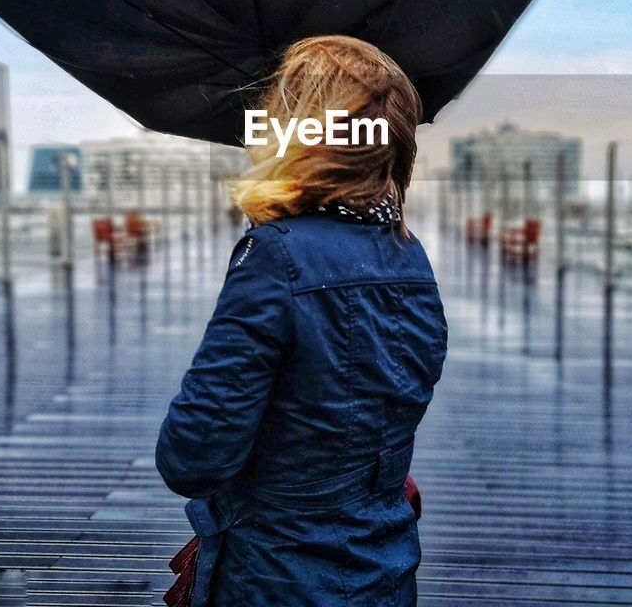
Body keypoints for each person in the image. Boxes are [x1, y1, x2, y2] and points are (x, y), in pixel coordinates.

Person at [156, 35, 448, 607]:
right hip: (382, 568)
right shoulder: (409, 256)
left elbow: (192, 456)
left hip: (278, 576)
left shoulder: (275, 255)